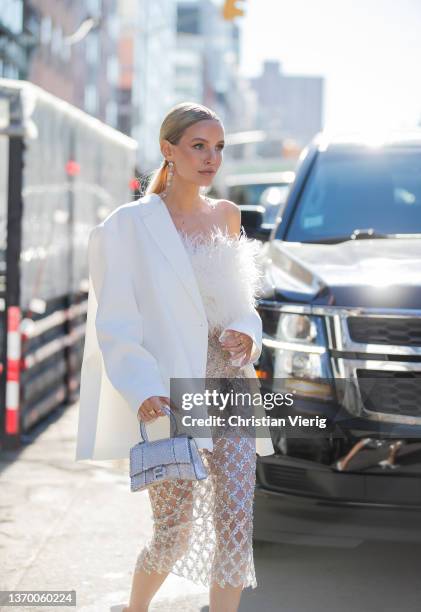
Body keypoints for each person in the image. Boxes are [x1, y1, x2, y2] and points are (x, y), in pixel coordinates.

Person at [76, 101, 275, 612]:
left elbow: (242, 303)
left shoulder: (227, 215)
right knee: (174, 530)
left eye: (219, 148)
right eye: (198, 146)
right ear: (168, 149)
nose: (212, 158)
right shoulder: (128, 226)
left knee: (235, 522)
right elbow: (115, 321)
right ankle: (134, 609)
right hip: (170, 390)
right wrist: (142, 388)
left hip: (229, 383)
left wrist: (246, 334)